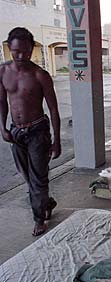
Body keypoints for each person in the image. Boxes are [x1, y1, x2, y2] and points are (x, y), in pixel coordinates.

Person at [0, 27, 61, 236]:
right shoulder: (3, 71)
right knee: (28, 177)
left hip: (38, 131)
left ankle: (39, 219)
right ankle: (47, 203)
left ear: (31, 50)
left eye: (25, 51)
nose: (21, 56)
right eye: (16, 51)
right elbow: (2, 102)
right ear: (9, 48)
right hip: (16, 132)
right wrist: (3, 128)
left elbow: (53, 109)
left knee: (38, 179)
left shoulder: (40, 75)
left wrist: (57, 141)